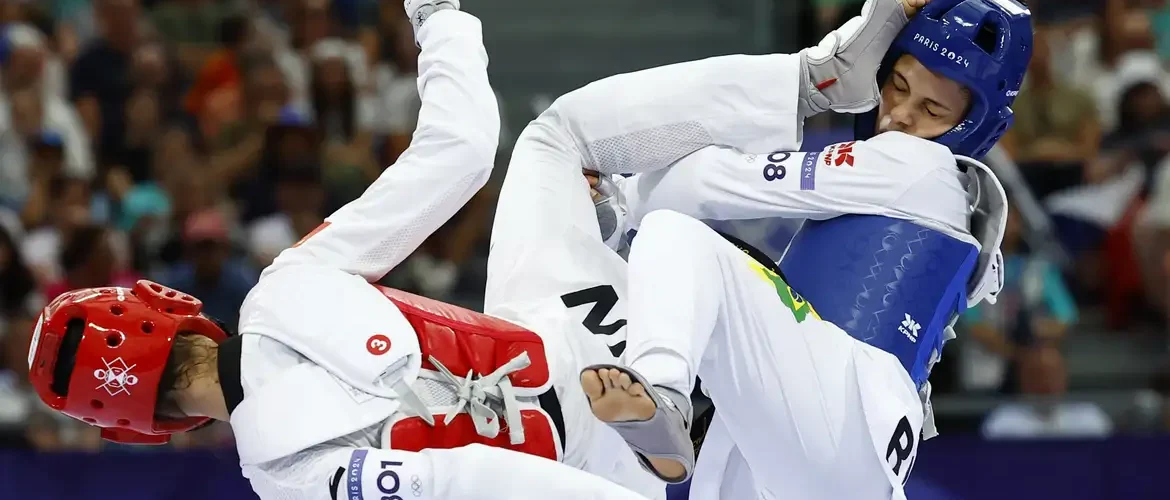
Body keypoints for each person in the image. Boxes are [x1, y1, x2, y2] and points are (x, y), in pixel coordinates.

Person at [25, 3, 660, 499]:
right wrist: (436, 15)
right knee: (556, 139)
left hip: (624, 473)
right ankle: (646, 211)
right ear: (165, 306)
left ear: (136, 425)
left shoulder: (284, 478)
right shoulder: (287, 284)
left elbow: (470, 485)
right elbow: (462, 150)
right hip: (600, 335)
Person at [492, 0, 1023, 498]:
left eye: (931, 107)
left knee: (676, 237)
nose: (900, 116)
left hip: (847, 412)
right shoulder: (952, 206)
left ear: (977, 124)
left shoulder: (917, 167)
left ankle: (665, 393)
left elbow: (694, 190)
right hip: (822, 451)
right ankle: (659, 413)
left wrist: (621, 192)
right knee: (701, 283)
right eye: (897, 86)